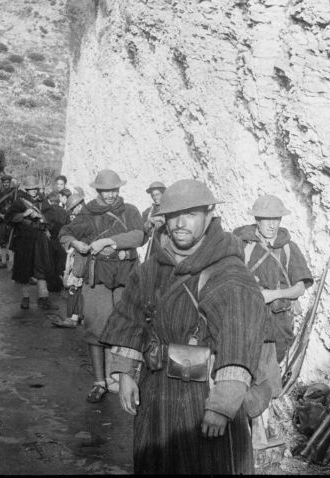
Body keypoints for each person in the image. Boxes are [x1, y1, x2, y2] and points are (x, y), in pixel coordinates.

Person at [100, 179, 268, 474]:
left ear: (209, 215)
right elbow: (131, 316)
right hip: (155, 394)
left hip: (203, 398)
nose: (179, 223)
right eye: (173, 215)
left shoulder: (228, 274)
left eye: (190, 214)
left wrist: (223, 406)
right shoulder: (152, 268)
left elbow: (239, 340)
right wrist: (125, 372)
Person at [58, 169, 144, 403]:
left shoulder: (130, 210)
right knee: (96, 327)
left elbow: (139, 235)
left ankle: (120, 377)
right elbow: (65, 233)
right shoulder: (87, 213)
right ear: (98, 191)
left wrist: (110, 241)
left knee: (125, 325)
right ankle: (99, 382)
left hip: (127, 275)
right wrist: (76, 242)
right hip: (97, 276)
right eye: (106, 191)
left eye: (114, 190)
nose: (110, 195)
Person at [233, 194, 313, 364]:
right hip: (246, 318)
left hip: (278, 323)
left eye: (276, 218)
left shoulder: (288, 248)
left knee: (272, 371)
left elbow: (300, 288)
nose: (272, 224)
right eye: (267, 219)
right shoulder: (242, 243)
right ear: (257, 219)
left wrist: (274, 294)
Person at [7, 176, 60, 311]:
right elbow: (9, 218)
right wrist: (24, 214)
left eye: (35, 188)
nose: (34, 191)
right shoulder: (19, 202)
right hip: (24, 240)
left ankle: (43, 298)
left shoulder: (43, 202)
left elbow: (51, 218)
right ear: (26, 189)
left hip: (40, 239)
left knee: (41, 268)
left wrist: (41, 218)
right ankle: (25, 298)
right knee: (24, 269)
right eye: (31, 189)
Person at [52, 190, 86, 329]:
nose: (72, 213)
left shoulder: (84, 219)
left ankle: (73, 318)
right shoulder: (82, 219)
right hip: (78, 256)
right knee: (78, 288)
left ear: (79, 205)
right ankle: (78, 317)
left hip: (82, 258)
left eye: (73, 209)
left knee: (75, 288)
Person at [0, 175, 16, 269]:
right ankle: (3, 262)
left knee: (11, 242)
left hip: (11, 220)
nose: (6, 184)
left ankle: (11, 262)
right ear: (2, 183)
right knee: (2, 241)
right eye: (4, 183)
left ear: (10, 183)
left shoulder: (14, 193)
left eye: (7, 183)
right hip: (2, 220)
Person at [141, 181, 166, 259]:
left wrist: (161, 220)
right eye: (153, 195)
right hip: (153, 246)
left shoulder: (170, 209)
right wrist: (148, 223)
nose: (155, 198)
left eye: (157, 194)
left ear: (163, 194)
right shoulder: (148, 212)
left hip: (167, 245)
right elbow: (141, 229)